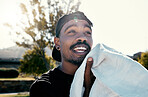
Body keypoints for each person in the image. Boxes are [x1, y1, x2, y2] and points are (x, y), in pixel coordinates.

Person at [30, 11, 95, 97]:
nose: (82, 38)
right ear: (57, 43)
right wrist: (88, 91)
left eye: (87, 32)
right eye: (72, 31)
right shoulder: (43, 87)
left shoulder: (103, 78)